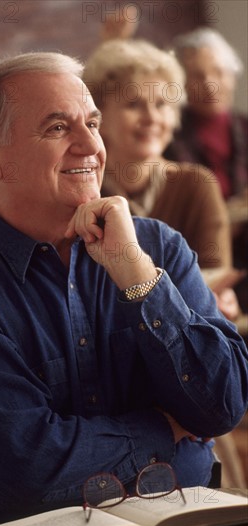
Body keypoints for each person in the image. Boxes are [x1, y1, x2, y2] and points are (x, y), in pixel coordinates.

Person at [0, 52, 248, 526]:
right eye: (58, 128)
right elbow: (30, 472)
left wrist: (137, 277)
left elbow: (222, 406)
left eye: (93, 123)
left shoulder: (157, 247)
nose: (91, 146)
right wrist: (168, 431)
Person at [83, 38, 239, 320]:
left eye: (163, 104)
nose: (152, 117)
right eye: (134, 104)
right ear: (99, 117)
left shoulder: (197, 184)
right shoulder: (83, 190)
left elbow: (214, 286)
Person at [165, 27, 247, 201]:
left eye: (219, 72)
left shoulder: (244, 127)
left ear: (233, 77)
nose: (210, 85)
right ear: (181, 83)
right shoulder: (168, 133)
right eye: (197, 76)